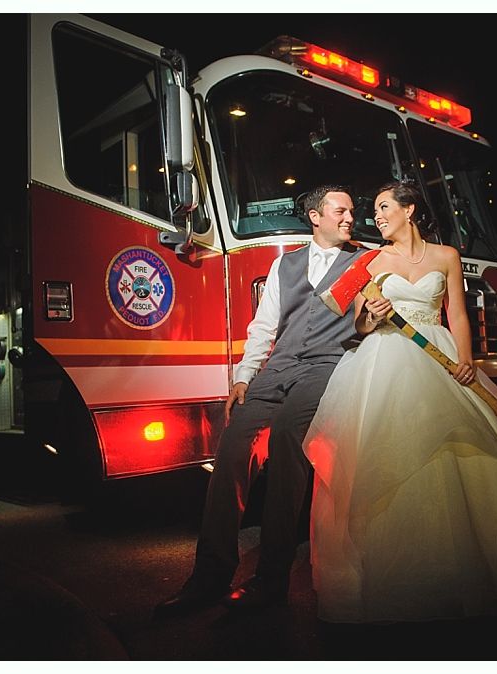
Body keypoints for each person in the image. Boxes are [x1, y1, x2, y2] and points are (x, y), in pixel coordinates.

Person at [302, 180, 497, 623]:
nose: (377, 216)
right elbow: (359, 325)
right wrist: (372, 315)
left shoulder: (446, 257)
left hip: (440, 358)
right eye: (376, 210)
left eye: (385, 207)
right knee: (393, 459)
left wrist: (466, 362)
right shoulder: (369, 261)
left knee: (467, 454)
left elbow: (457, 314)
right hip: (384, 362)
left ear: (410, 210)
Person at [155, 185, 369, 617]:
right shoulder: (284, 265)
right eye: (341, 210)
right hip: (279, 367)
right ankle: (209, 577)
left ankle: (270, 580)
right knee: (232, 448)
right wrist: (243, 376)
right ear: (315, 216)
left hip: (327, 366)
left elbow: (370, 318)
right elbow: (264, 325)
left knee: (289, 439)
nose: (349, 217)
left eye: (351, 210)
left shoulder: (364, 261)